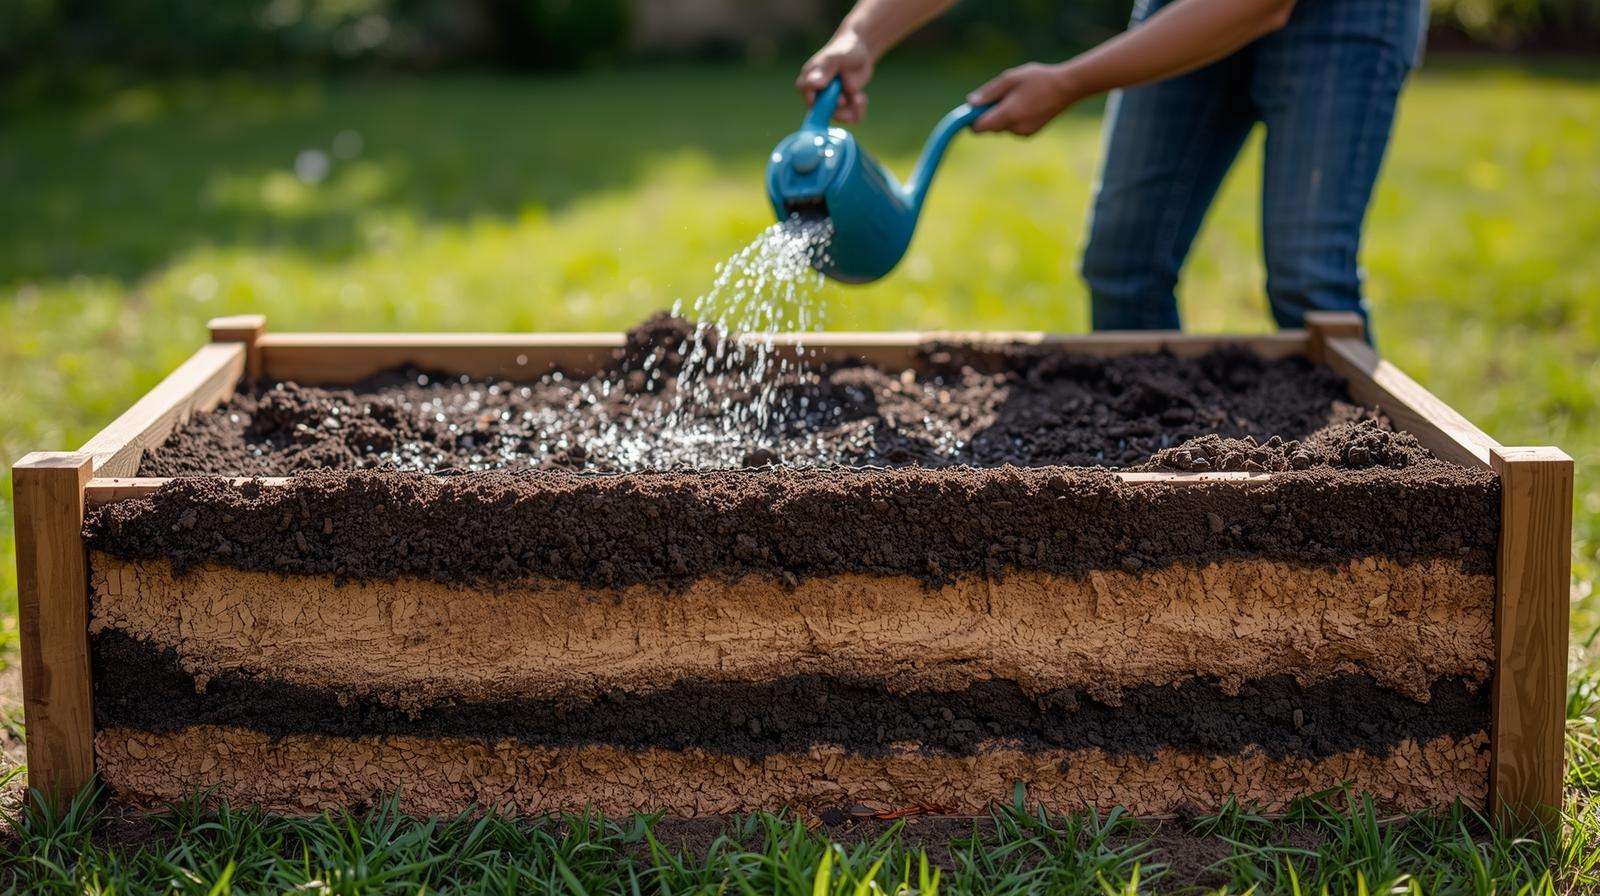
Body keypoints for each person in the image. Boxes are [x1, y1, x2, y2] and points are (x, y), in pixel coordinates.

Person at [798, 0, 1425, 332]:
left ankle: (1372, 516)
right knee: (1123, 267)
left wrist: (1070, 82)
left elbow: (1259, 4)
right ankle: (1166, 503)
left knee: (1309, 280)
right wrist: (863, 33)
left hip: (1345, 12)